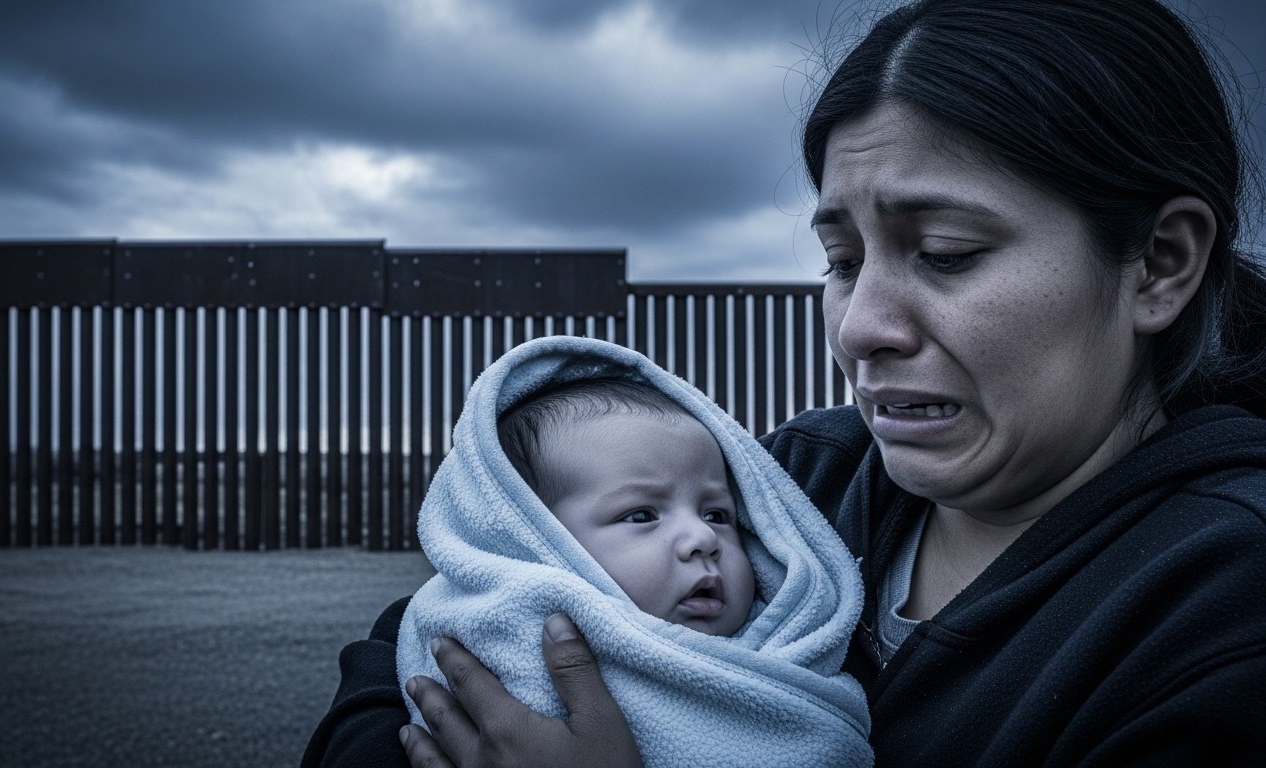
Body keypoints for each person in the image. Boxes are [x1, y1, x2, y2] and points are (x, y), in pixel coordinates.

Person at [303, 0, 1266, 765]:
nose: (861, 328)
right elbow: (409, 658)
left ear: (1160, 263)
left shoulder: (1223, 600)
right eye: (842, 261)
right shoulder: (796, 483)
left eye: (945, 253)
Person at [394, 335, 871, 767]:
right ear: (533, 542)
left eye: (718, 515)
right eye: (642, 516)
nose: (704, 540)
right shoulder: (507, 641)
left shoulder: (787, 648)